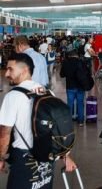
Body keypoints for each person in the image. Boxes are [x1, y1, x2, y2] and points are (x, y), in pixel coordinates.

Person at [0, 53, 76, 189]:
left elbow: (5, 133)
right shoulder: (46, 91)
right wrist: (65, 155)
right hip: (46, 156)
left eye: (10, 69)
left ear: (24, 70)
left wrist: (0, 158)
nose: (6, 74)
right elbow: (58, 127)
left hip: (24, 158)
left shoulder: (13, 96)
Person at [60, 50, 87, 126]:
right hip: (80, 86)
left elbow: (62, 75)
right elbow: (87, 73)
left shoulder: (66, 63)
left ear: (69, 56)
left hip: (70, 86)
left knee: (70, 103)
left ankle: (69, 120)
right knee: (80, 103)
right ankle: (80, 121)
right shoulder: (81, 62)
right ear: (76, 55)